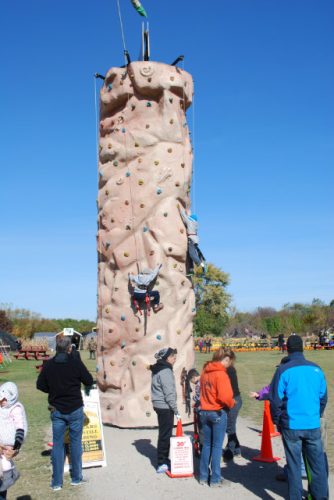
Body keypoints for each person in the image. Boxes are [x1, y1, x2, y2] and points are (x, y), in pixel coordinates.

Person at [269, 335, 328, 499]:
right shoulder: (316, 369)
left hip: (292, 425)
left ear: (287, 348)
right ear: (302, 348)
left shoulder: (283, 370)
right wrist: (316, 414)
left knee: (294, 466)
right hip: (312, 423)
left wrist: (277, 421)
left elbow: (275, 400)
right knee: (317, 466)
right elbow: (323, 398)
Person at [36, 336, 94, 491]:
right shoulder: (75, 363)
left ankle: (56, 482)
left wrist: (53, 390)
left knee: (58, 445)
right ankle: (76, 478)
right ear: (69, 348)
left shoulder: (48, 365)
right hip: (74, 408)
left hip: (57, 409)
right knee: (75, 443)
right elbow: (89, 380)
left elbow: (40, 385)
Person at [199, 348, 235, 487]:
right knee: (216, 446)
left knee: (207, 445)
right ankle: (215, 479)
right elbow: (225, 396)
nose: (229, 365)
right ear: (225, 359)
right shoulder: (221, 374)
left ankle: (203, 476)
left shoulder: (204, 372)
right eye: (229, 362)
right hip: (217, 412)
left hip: (205, 411)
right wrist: (231, 403)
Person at [150, 347, 180, 473]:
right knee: (165, 434)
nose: (175, 359)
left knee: (164, 433)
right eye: (173, 357)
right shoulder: (166, 370)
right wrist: (176, 409)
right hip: (165, 406)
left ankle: (164, 459)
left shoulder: (158, 368)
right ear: (167, 358)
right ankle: (162, 462)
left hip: (159, 404)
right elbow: (169, 392)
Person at [0, 382, 27, 498]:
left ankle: (9, 476)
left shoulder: (14, 409)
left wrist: (16, 447)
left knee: (5, 458)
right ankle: (12, 474)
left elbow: (20, 427)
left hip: (6, 445)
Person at [223, 349, 242, 460]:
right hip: (232, 399)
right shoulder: (227, 369)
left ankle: (230, 450)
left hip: (234, 400)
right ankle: (237, 448)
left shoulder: (229, 370)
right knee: (230, 426)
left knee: (230, 426)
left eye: (225, 359)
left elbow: (229, 389)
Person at [179, 208, 206, 274]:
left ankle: (201, 264)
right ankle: (191, 270)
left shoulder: (190, 222)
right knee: (189, 255)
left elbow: (184, 217)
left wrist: (180, 209)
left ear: (191, 219)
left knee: (192, 254)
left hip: (191, 239)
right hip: (194, 240)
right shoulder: (195, 224)